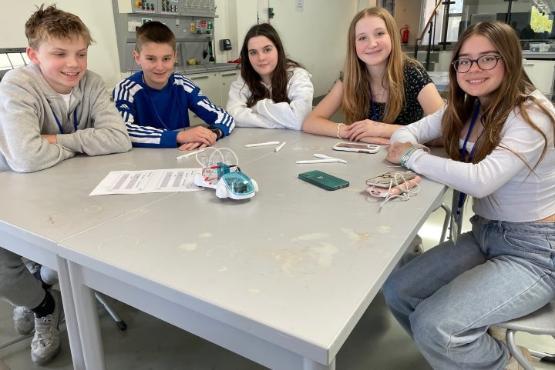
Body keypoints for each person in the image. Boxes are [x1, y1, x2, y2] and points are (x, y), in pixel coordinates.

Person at [383, 21, 555, 369]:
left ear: (509, 60)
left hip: (536, 251)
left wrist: (412, 156)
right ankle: (463, 355)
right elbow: (405, 132)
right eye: (464, 60)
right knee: (399, 291)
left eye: (487, 58)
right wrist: (410, 144)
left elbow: (480, 181)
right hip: (486, 233)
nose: (473, 69)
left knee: (436, 326)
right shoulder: (469, 106)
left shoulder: (532, 113)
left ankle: (500, 363)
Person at [0, 4, 132, 365]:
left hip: (67, 189)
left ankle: (38, 285)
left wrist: (59, 140)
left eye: (81, 53)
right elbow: (25, 159)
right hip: (12, 194)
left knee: (69, 248)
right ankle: (43, 305)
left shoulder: (91, 83)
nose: (73, 64)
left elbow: (118, 138)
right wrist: (85, 140)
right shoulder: (17, 84)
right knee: (4, 269)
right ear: (33, 54)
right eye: (59, 53)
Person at [302, 7, 443, 144]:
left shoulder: (413, 72)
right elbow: (310, 122)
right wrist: (352, 132)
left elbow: (447, 130)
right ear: (354, 45)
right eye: (362, 38)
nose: (372, 43)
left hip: (405, 160)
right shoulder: (350, 77)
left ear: (392, 37)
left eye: (380, 33)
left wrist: (382, 130)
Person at [113, 21, 234, 150]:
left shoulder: (182, 84)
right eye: (151, 59)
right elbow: (123, 131)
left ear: (175, 57)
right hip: (141, 162)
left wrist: (213, 133)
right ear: (137, 57)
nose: (159, 67)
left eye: (166, 59)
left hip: (181, 155)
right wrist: (178, 136)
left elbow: (224, 117)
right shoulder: (125, 89)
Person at [226, 23, 314, 130]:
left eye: (267, 49)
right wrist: (282, 121)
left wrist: (257, 107)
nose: (261, 58)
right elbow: (232, 114)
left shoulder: (298, 76)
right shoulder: (245, 78)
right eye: (253, 52)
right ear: (247, 56)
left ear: (278, 49)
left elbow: (299, 120)